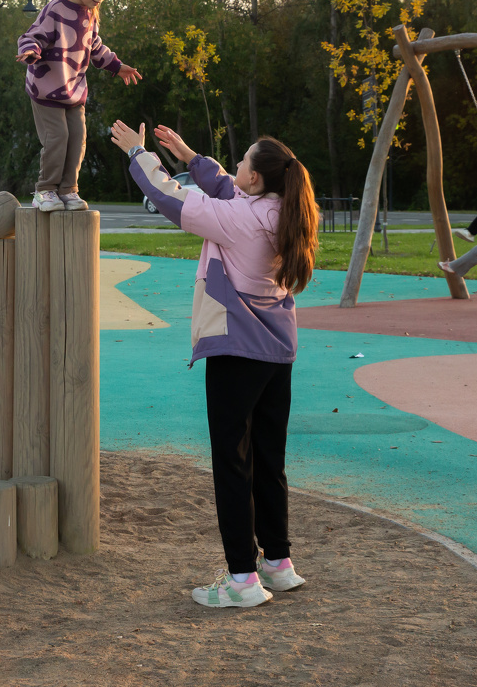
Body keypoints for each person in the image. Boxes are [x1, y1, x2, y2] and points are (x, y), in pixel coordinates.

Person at [109, 119, 319, 609]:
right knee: (268, 459)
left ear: (257, 178)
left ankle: (243, 578)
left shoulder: (239, 219)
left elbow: (170, 200)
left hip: (236, 348)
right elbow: (226, 187)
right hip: (277, 352)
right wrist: (190, 157)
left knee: (232, 462)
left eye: (244, 160)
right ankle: (278, 562)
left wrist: (139, 153)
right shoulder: (283, 209)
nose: (238, 165)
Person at [17, 0, 141, 213]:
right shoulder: (56, 9)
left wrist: (117, 66)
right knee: (58, 136)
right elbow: (33, 35)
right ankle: (45, 190)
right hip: (46, 88)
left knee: (78, 137)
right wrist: (30, 51)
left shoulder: (89, 15)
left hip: (73, 90)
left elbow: (95, 47)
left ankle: (68, 190)